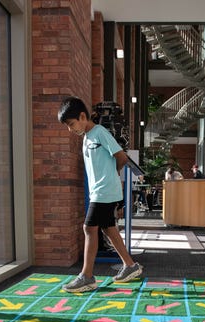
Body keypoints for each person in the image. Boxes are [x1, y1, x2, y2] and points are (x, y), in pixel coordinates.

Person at [57, 96, 143, 293]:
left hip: (105, 191)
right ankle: (130, 265)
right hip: (99, 191)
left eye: (71, 124)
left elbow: (121, 157)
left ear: (82, 116)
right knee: (108, 229)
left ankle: (87, 276)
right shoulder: (86, 138)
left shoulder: (100, 132)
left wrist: (112, 177)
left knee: (89, 228)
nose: (71, 129)